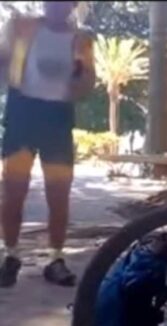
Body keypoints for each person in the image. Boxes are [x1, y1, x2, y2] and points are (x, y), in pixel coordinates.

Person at [0, 2, 95, 287]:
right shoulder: (20, 27)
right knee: (13, 192)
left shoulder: (82, 38)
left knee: (59, 195)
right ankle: (10, 255)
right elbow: (3, 64)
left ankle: (55, 259)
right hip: (22, 114)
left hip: (58, 118)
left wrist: (81, 78)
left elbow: (89, 80)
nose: (55, 5)